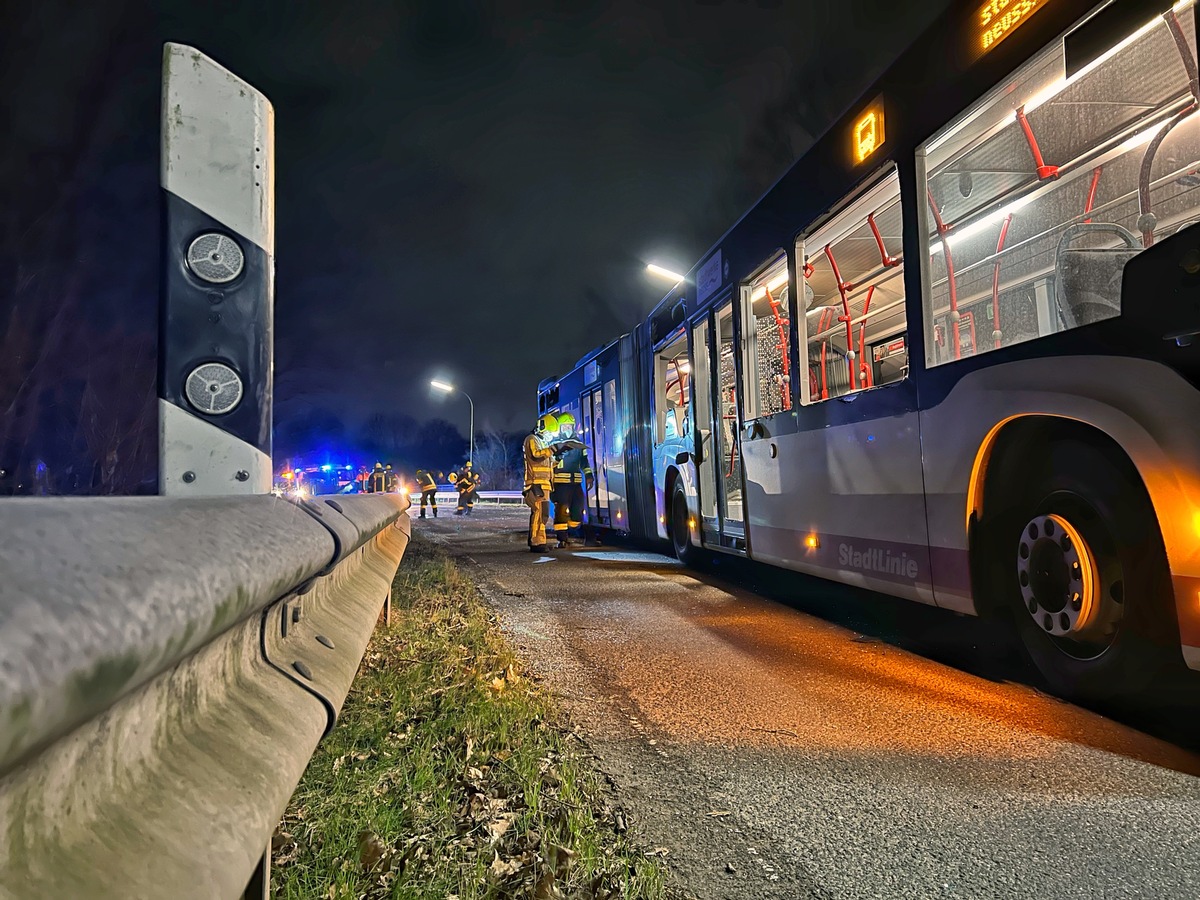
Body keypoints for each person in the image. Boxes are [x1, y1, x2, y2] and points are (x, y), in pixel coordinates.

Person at [550, 412, 593, 547]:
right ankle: (562, 539)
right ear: (560, 428)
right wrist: (559, 454)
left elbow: (584, 462)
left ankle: (573, 531)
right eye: (565, 426)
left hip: (576, 483)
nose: (568, 429)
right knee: (562, 511)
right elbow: (550, 462)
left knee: (577, 510)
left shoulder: (578, 444)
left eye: (570, 426)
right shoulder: (554, 444)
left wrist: (589, 476)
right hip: (560, 484)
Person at [523, 414, 557, 552]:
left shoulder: (542, 442)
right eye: (549, 432)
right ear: (542, 427)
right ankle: (537, 542)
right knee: (540, 513)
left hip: (543, 484)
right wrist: (552, 449)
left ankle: (536, 540)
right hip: (536, 484)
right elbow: (536, 455)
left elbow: (547, 464)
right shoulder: (532, 439)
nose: (550, 435)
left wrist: (557, 458)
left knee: (541, 513)